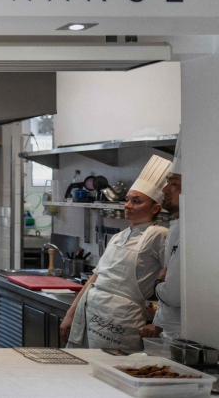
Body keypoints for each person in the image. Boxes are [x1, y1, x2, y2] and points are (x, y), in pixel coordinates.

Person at [61, 155, 171, 350]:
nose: (127, 205)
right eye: (127, 200)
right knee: (82, 370)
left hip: (122, 319)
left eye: (136, 201)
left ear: (156, 208)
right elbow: (94, 278)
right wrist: (71, 313)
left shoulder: (159, 235)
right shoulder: (118, 237)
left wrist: (159, 321)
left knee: (112, 371)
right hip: (90, 313)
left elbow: (171, 283)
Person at [142, 134, 183, 339]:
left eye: (173, 183)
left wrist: (159, 283)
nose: (165, 189)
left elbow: (173, 295)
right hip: (167, 333)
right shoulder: (177, 226)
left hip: (181, 336)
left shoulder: (193, 234)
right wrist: (157, 326)